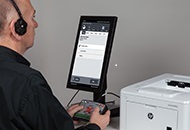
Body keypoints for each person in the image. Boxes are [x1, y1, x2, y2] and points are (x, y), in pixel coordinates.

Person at [0, 0, 110, 129]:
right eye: (32, 17)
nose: (36, 24)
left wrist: (57, 119)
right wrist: (96, 126)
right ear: (17, 28)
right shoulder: (28, 83)